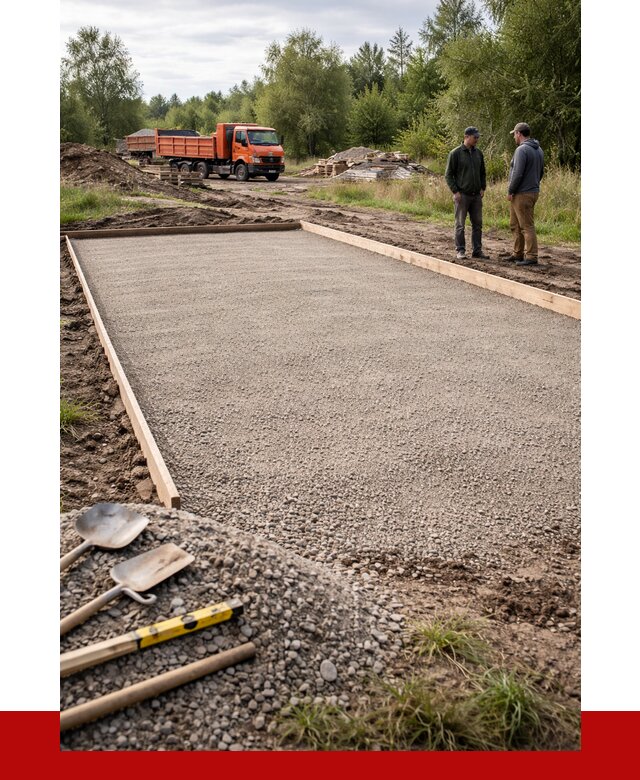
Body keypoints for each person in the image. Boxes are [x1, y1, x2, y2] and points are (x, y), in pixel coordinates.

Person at [444, 126, 489, 261]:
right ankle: (460, 250)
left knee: (477, 224)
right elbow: (448, 175)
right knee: (460, 224)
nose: (477, 140)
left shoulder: (478, 153)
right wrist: (455, 191)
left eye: (478, 137)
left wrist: (483, 188)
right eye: (475, 137)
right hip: (462, 195)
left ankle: (477, 250)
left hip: (476, 195)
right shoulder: (455, 153)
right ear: (466, 137)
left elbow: (482, 173)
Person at [507, 122, 544, 266]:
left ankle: (531, 256)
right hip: (532, 191)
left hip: (522, 193)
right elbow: (541, 171)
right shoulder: (538, 149)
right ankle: (518, 253)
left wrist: (511, 190)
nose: (514, 138)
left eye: (514, 135)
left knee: (526, 226)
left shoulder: (521, 150)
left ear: (518, 134)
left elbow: (517, 173)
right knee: (515, 224)